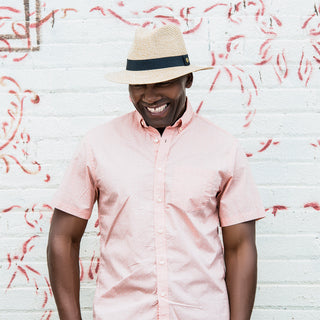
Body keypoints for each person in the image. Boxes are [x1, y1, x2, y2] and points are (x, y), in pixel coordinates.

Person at [47, 24, 265, 320]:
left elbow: (240, 248)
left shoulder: (223, 148)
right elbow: (63, 238)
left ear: (187, 79)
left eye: (162, 82)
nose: (149, 96)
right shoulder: (97, 146)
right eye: (138, 84)